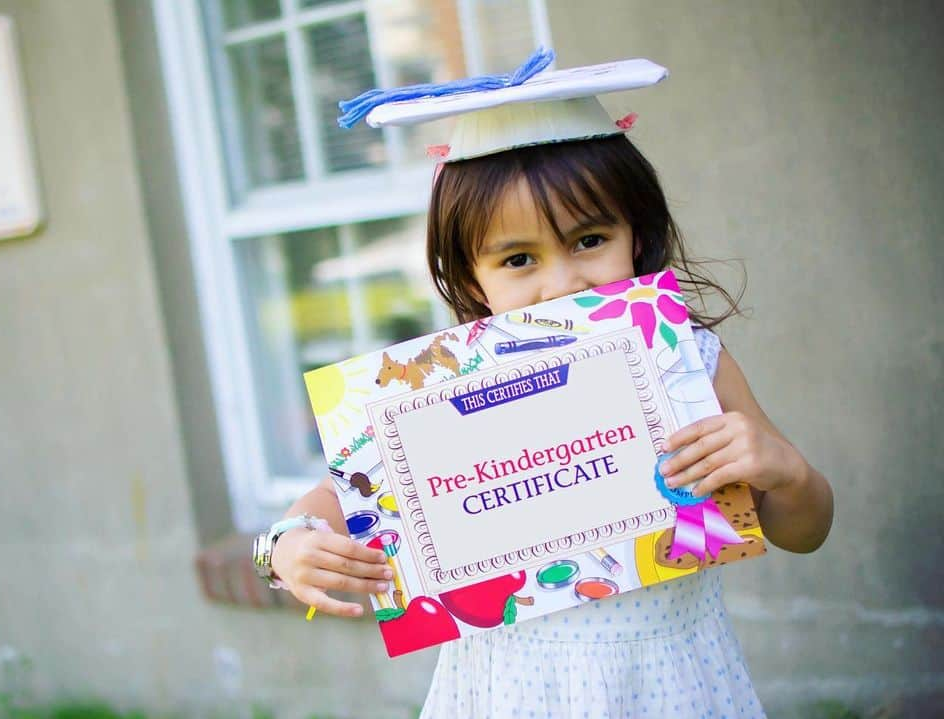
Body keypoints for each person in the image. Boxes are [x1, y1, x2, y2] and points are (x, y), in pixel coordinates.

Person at [258, 51, 834, 717]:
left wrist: (786, 473)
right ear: (473, 277)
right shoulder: (443, 390)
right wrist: (290, 546)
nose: (561, 282)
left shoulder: (690, 363)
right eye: (520, 258)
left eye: (589, 240)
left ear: (635, 234)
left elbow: (804, 527)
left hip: (669, 682)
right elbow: (329, 500)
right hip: (511, 690)